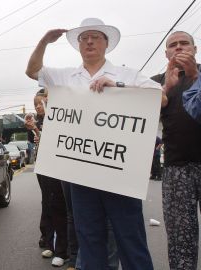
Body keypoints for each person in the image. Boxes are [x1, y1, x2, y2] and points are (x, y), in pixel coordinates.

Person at [26, 18, 159, 270]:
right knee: (89, 239)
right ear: (78, 45)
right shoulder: (65, 76)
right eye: (84, 37)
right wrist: (44, 41)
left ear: (106, 44)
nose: (89, 41)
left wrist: (120, 88)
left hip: (120, 175)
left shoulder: (126, 74)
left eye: (96, 37)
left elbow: (159, 98)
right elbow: (32, 71)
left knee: (130, 240)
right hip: (82, 175)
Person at [151, 30, 201, 270]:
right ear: (166, 53)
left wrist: (194, 75)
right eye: (173, 45)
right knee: (182, 237)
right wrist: (164, 90)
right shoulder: (155, 82)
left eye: (184, 43)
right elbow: (139, 119)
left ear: (195, 49)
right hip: (176, 169)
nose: (179, 48)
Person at [25, 89, 69, 267]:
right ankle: (49, 239)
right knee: (47, 202)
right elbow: (37, 142)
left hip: (59, 167)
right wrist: (34, 130)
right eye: (35, 103)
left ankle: (63, 248)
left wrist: (37, 130)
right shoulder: (37, 122)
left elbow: (54, 141)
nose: (38, 106)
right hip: (43, 167)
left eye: (41, 102)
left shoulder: (61, 117)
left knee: (59, 204)